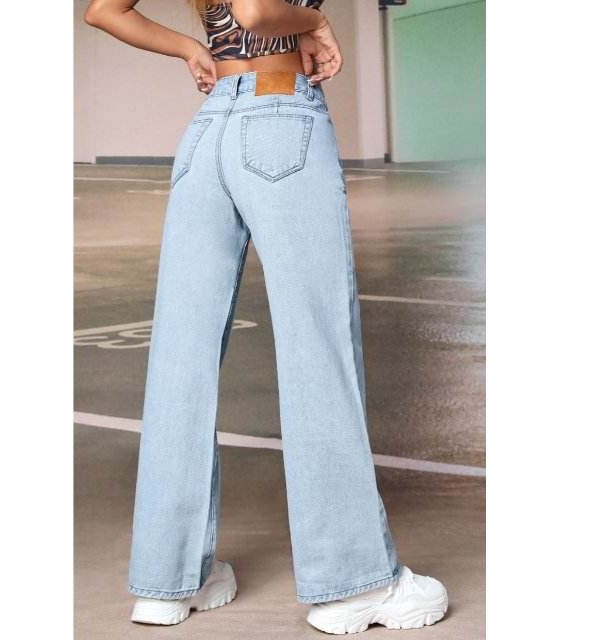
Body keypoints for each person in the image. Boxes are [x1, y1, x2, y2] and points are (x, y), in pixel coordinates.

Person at [84, 0, 448, 633]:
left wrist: (192, 49)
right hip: (282, 118)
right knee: (318, 345)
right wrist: (315, 22)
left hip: (209, 130)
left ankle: (169, 582)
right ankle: (354, 582)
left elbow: (102, 10)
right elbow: (256, 12)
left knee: (181, 358)